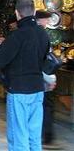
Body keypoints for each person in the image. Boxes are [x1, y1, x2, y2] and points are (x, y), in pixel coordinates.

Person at [0, 0, 50, 151]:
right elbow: (44, 60)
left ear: (17, 13)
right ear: (34, 12)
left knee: (19, 136)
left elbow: (1, 60)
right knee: (34, 135)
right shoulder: (43, 34)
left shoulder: (16, 36)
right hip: (38, 89)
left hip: (19, 90)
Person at [35, 10, 62, 150]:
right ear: (40, 20)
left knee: (42, 107)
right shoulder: (42, 35)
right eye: (47, 19)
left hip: (37, 78)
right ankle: (47, 137)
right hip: (43, 78)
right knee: (46, 107)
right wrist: (51, 78)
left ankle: (44, 136)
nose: (48, 22)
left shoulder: (33, 33)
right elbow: (44, 60)